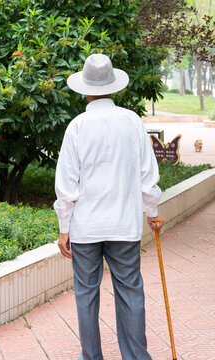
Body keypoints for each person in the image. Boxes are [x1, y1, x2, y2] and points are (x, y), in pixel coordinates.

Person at [54, 54, 164, 360]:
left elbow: (66, 185)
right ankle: (137, 357)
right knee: (130, 291)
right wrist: (152, 212)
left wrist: (64, 229)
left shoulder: (77, 126)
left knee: (86, 294)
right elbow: (147, 176)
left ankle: (91, 357)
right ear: (113, 87)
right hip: (123, 224)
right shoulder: (131, 121)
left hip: (86, 227)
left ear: (86, 90)